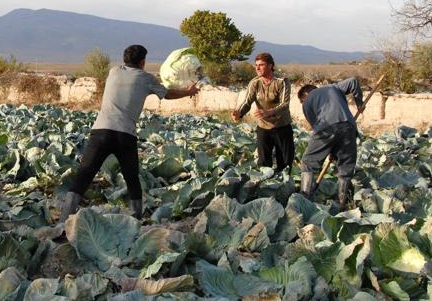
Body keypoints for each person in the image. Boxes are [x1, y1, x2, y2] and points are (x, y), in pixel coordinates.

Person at [60, 45, 200, 220]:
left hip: (100, 132)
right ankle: (136, 218)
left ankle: (64, 219)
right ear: (143, 62)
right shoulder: (146, 78)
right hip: (124, 135)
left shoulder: (113, 72)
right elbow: (168, 94)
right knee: (131, 177)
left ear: (124, 59)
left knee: (84, 174)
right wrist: (189, 92)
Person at [297, 77, 364, 209]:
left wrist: (329, 149)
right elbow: (353, 81)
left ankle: (304, 199)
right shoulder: (333, 87)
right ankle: (341, 204)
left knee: (309, 162)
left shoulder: (306, 103)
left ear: (304, 97)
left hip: (325, 127)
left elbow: (318, 130)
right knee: (345, 167)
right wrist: (359, 103)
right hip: (349, 126)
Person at [230, 53, 294, 173]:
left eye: (261, 65)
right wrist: (239, 113)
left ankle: (285, 187)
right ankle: (265, 188)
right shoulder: (255, 83)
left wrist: (269, 112)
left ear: (270, 65)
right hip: (263, 128)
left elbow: (285, 104)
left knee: (285, 163)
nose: (258, 68)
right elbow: (247, 102)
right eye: (256, 65)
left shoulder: (282, 81)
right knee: (264, 163)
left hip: (282, 127)